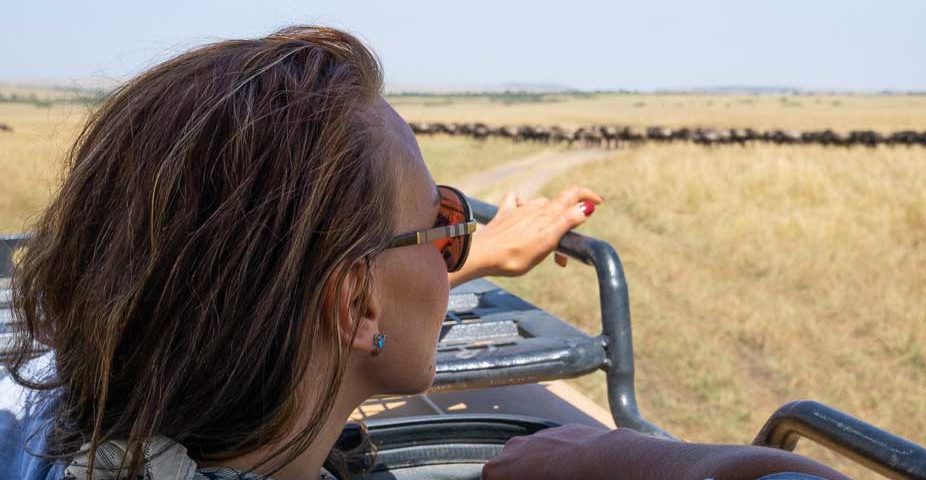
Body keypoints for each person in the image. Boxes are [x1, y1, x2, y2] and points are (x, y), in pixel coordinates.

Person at [0, 26, 847, 480]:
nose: (453, 246)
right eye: (440, 222)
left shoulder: (71, 409)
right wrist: (637, 457)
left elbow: (239, 278)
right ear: (356, 304)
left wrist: (469, 254)